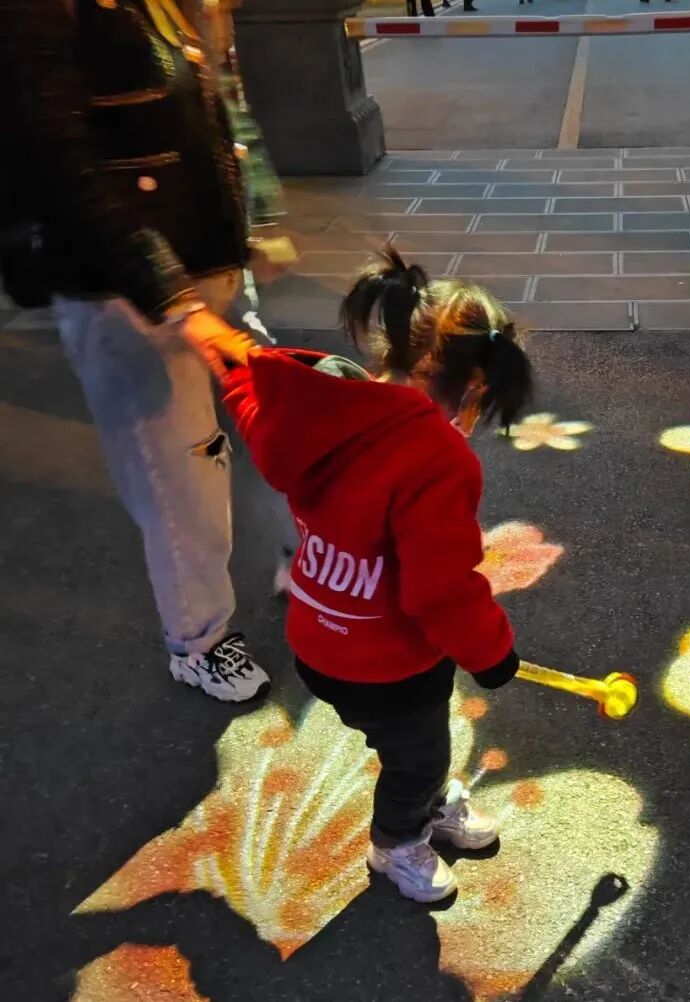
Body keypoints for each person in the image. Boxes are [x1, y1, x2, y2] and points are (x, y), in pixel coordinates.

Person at [195, 250, 533, 903]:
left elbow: (252, 396)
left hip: (319, 641)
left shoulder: (325, 407)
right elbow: (441, 589)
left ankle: (425, 793)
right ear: (474, 387)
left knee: (409, 744)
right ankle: (397, 843)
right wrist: (491, 655)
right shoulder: (436, 458)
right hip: (388, 662)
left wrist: (226, 351)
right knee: (418, 755)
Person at [2, 0, 276, 701]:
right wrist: (172, 295)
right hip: (124, 292)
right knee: (179, 473)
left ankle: (304, 561)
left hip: (206, 264)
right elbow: (62, 164)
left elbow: (210, 107)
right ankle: (199, 639)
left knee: (267, 426)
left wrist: (253, 219)